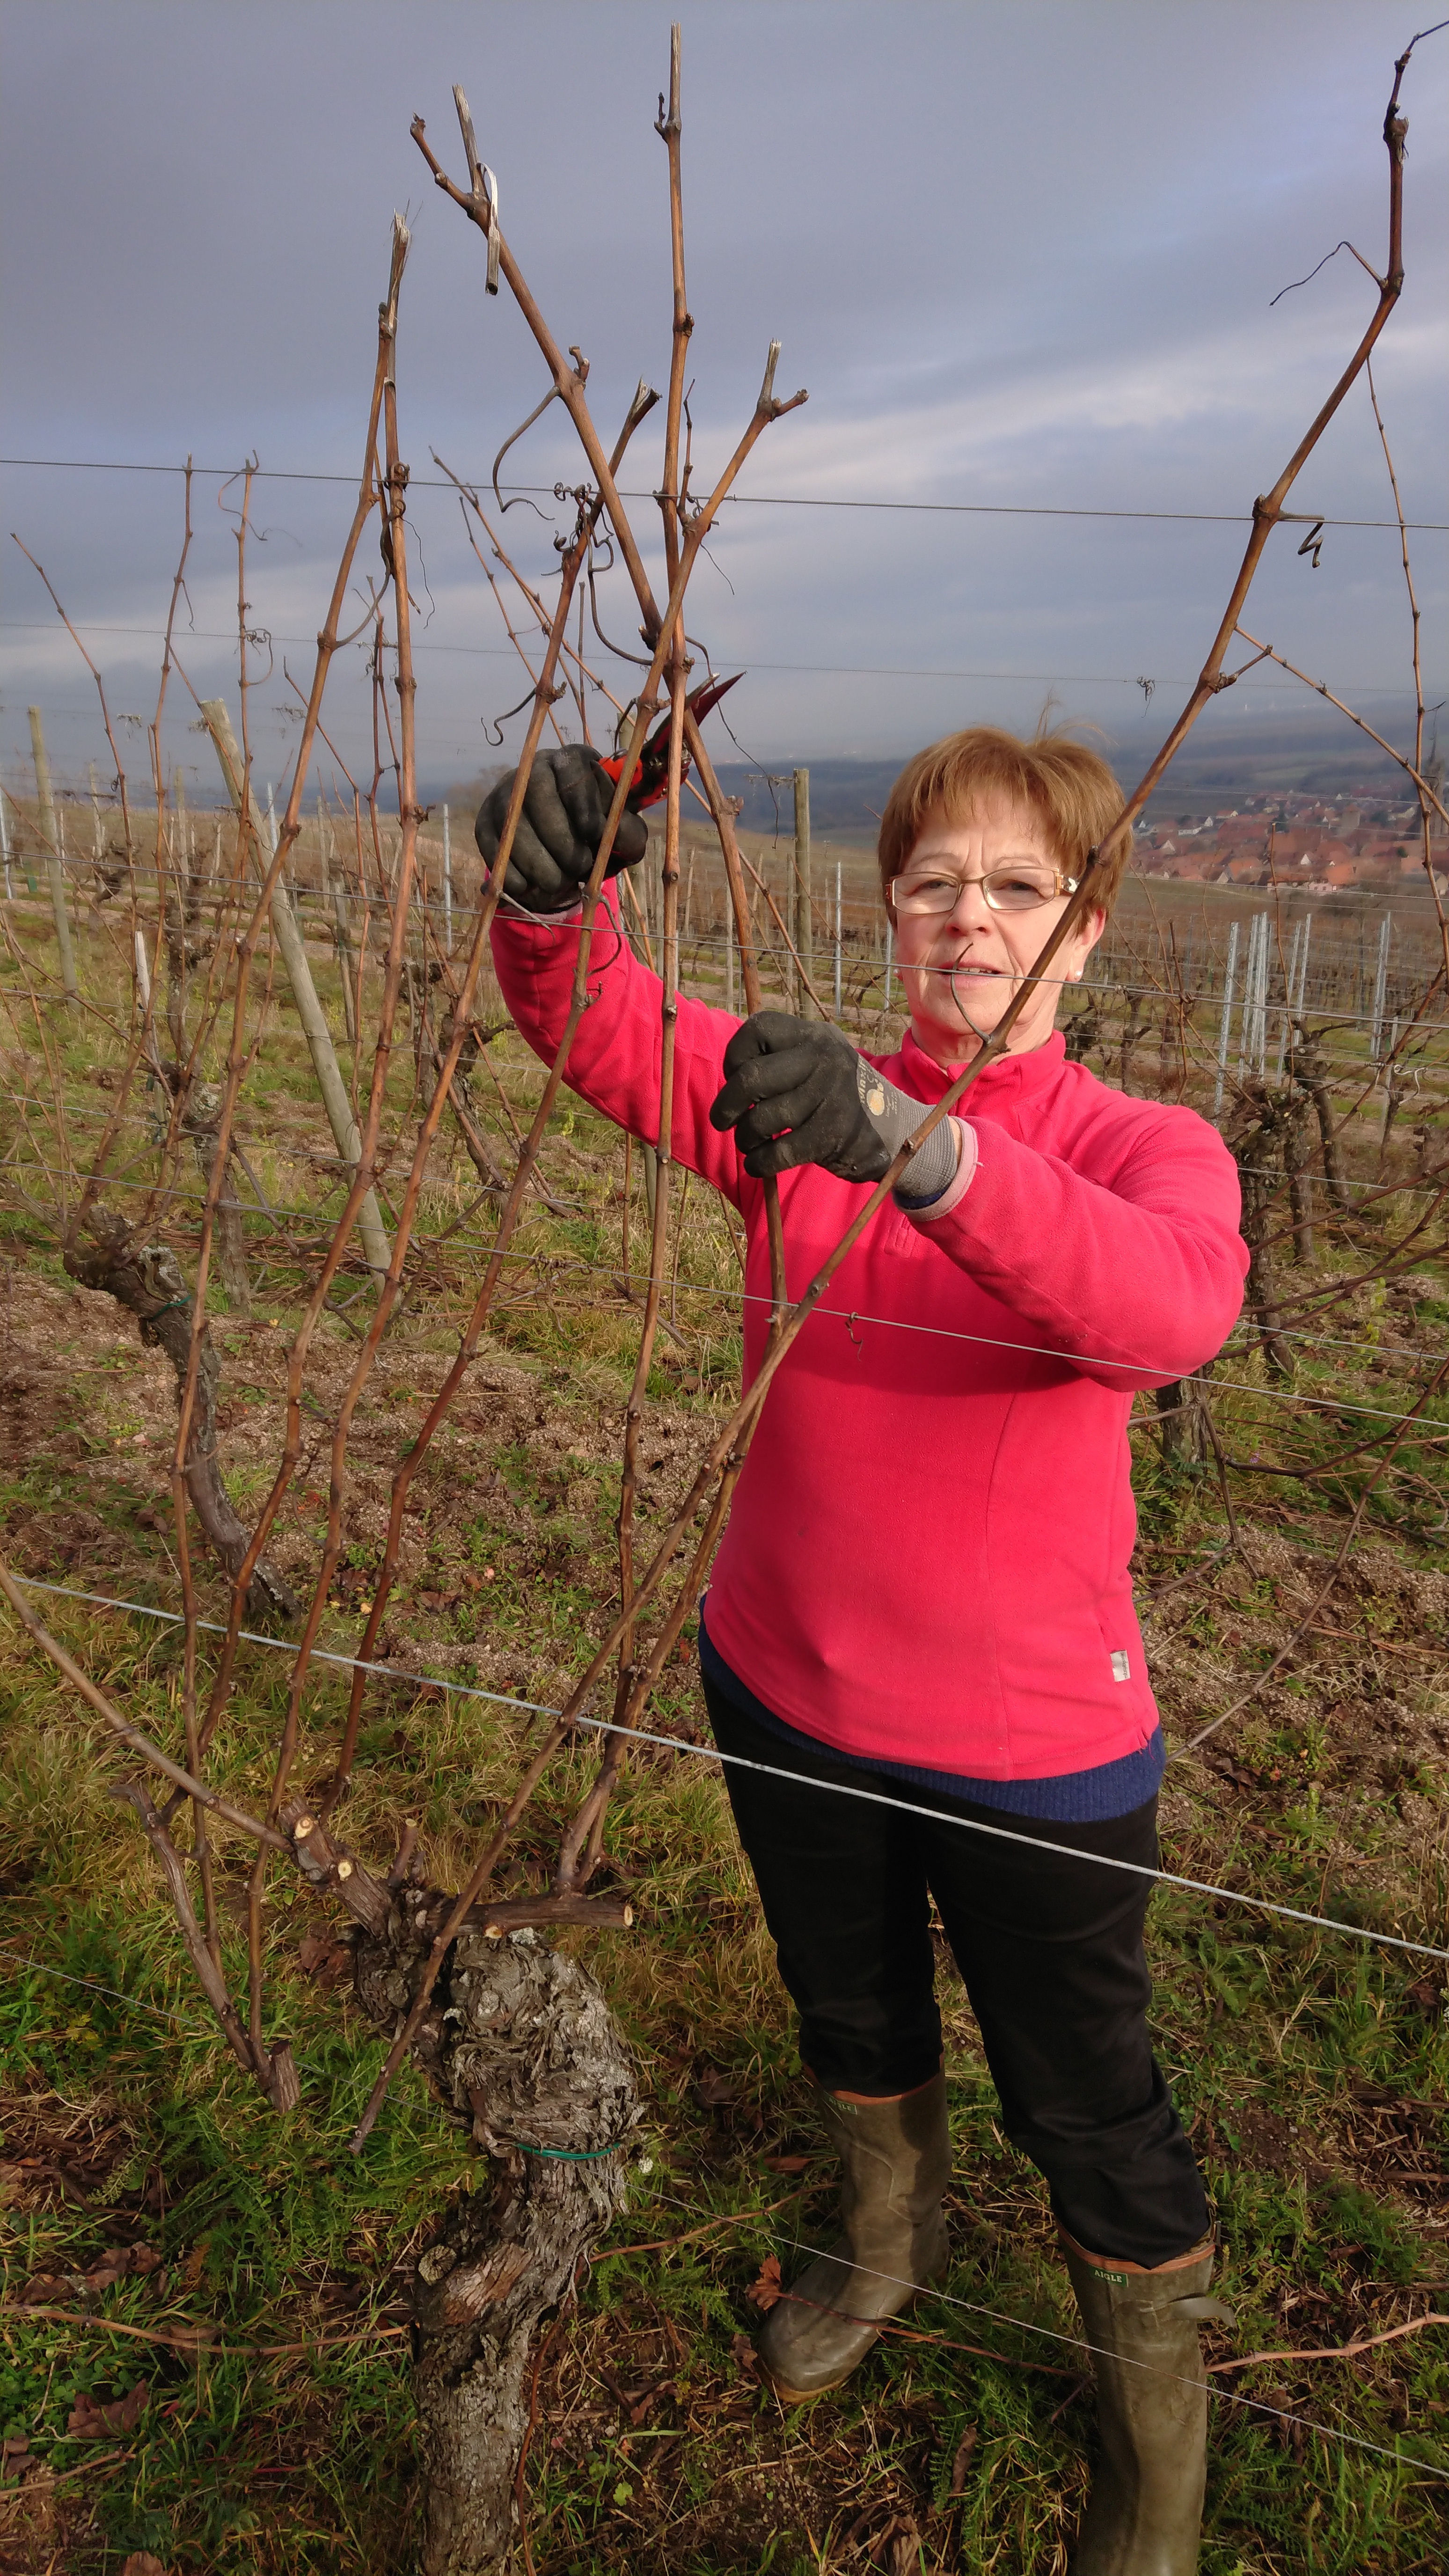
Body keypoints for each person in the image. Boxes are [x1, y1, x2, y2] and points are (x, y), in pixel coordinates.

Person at [479, 723, 1247, 2576]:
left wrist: (926, 1152)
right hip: (783, 1683)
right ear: (889, 913)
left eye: (1014, 888)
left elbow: (1161, 1310)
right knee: (852, 2009)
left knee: (1091, 2102)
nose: (968, 918)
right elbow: (602, 1022)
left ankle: (1154, 2479)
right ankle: (881, 2249)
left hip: (1035, 1751)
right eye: (932, 883)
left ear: (1085, 933)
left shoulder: (1145, 1146)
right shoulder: (802, 1102)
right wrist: (545, 893)